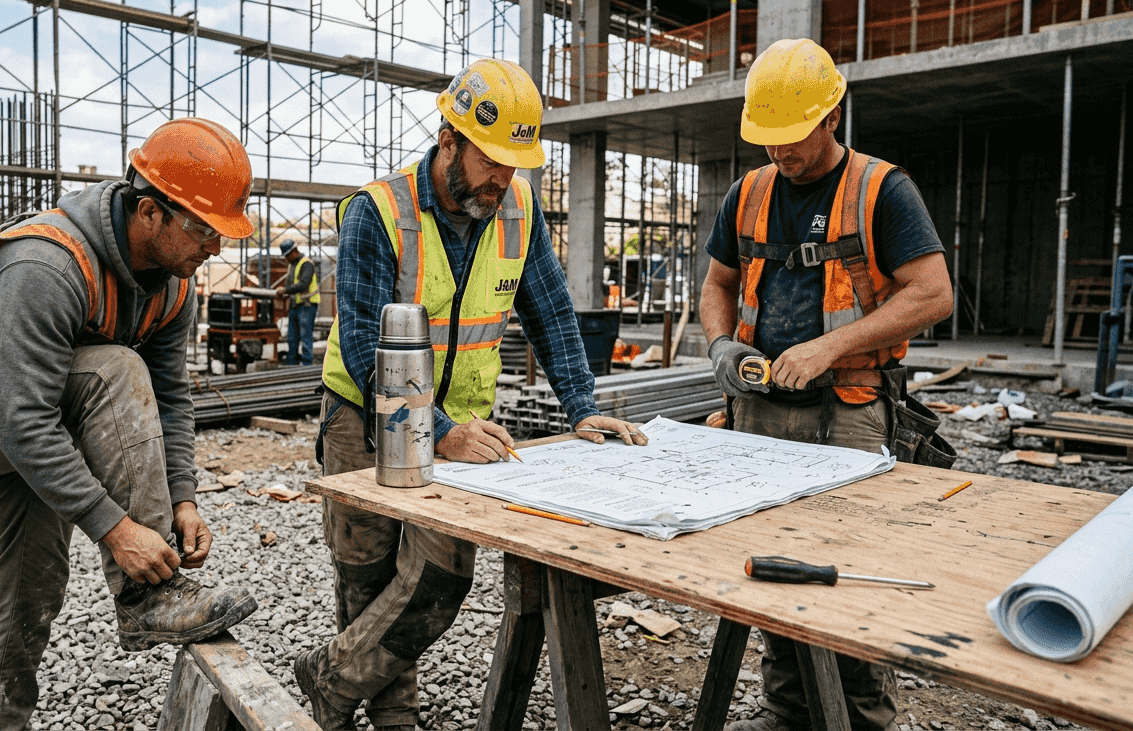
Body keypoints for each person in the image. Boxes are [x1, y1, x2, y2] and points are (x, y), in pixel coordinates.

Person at [294, 57, 648, 731]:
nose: (503, 179)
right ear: (448, 141)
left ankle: (330, 681)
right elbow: (365, 342)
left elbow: (551, 312)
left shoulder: (517, 209)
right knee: (366, 574)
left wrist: (583, 407)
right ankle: (393, 716)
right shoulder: (378, 212)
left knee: (439, 578)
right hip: (361, 418)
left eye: (515, 165)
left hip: (457, 428)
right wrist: (439, 429)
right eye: (491, 161)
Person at [0, 118, 260, 731]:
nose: (215, 248)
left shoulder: (174, 287)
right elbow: (22, 421)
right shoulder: (44, 263)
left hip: (47, 412)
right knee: (113, 368)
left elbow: (171, 399)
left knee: (29, 590)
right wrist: (119, 532)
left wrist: (182, 497)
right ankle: (147, 597)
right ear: (149, 212)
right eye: (204, 229)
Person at [699, 39, 952, 731]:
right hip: (759, 410)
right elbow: (718, 284)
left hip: (851, 409)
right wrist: (721, 344)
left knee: (847, 568)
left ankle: (863, 720)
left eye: (794, 134)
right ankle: (787, 711)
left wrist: (828, 347)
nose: (781, 150)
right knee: (776, 563)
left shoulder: (881, 189)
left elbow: (932, 293)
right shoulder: (748, 194)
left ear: (833, 115)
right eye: (770, 136)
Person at [277, 238, 319, 365]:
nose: (286, 258)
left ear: (294, 251)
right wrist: (285, 292)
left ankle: (307, 364)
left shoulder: (306, 264)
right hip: (295, 305)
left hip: (307, 305)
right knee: (292, 337)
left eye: (287, 255)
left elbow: (303, 285)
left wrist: (285, 290)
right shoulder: (292, 265)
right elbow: (290, 284)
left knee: (305, 336)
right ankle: (292, 363)